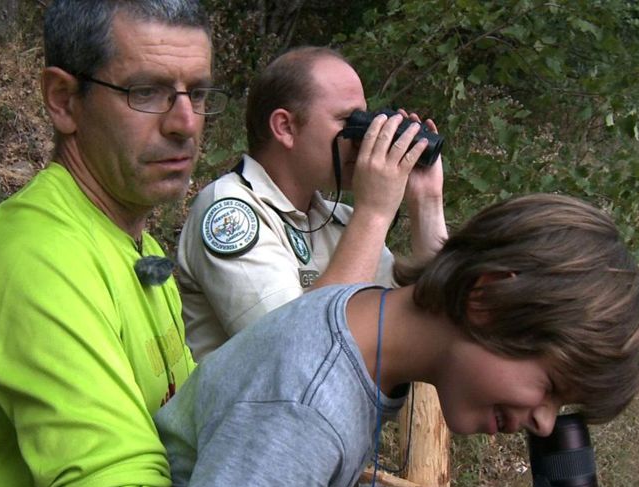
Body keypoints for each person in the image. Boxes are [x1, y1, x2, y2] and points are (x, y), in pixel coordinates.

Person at [155, 193, 639, 487]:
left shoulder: (365, 324)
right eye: (549, 386)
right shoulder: (307, 409)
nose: (545, 423)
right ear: (487, 297)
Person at [0, 0, 221, 487]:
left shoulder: (136, 243)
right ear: (64, 101)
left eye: (197, 94)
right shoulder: (34, 258)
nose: (185, 124)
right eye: (147, 91)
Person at [176, 46, 448, 361]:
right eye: (349, 120)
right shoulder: (229, 210)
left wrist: (426, 201)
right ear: (285, 128)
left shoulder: (340, 222)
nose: (364, 137)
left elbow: (434, 323)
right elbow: (300, 358)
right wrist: (374, 213)